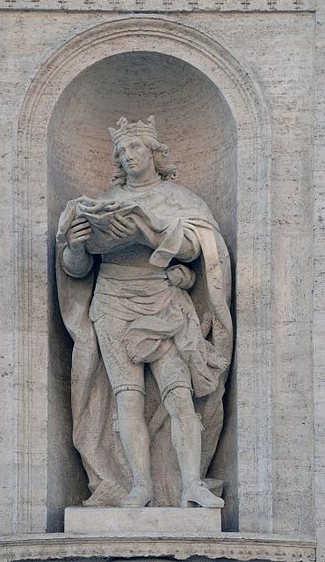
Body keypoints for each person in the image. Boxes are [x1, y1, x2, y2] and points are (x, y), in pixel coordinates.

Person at [56, 116, 233, 508]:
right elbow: (77, 270)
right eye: (121, 151)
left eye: (134, 147)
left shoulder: (179, 200)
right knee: (127, 395)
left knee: (178, 391)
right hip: (112, 303)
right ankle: (140, 486)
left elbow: (200, 249)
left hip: (162, 302)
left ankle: (191, 483)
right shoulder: (101, 203)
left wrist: (145, 232)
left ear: (154, 153)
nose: (127, 155)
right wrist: (76, 246)